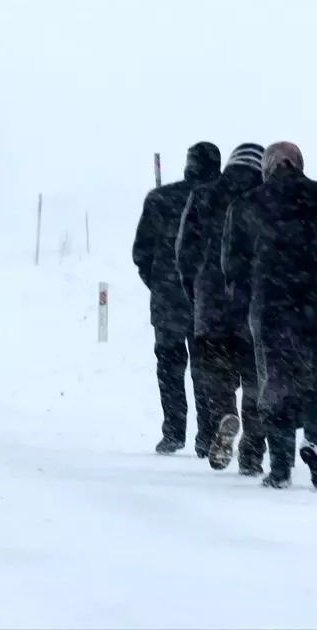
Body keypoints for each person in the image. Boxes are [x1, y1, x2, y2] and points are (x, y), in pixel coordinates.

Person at [220, 141, 317, 491]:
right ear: (299, 164)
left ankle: (281, 467)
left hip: (271, 310)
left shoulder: (246, 206)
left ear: (267, 169)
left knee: (277, 386)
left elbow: (232, 264)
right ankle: (316, 446)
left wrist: (244, 305)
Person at [174, 142, 267, 473]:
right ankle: (253, 450)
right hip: (253, 305)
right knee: (257, 381)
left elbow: (184, 251)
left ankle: (225, 414)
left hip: (211, 302)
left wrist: (195, 290)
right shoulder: (266, 199)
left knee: (216, 374)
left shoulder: (203, 195)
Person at [132, 142, 223, 455]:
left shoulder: (160, 199)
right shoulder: (222, 201)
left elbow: (141, 253)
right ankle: (207, 435)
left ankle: (173, 431)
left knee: (169, 368)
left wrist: (160, 283)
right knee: (206, 369)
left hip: (168, 299)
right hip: (206, 300)